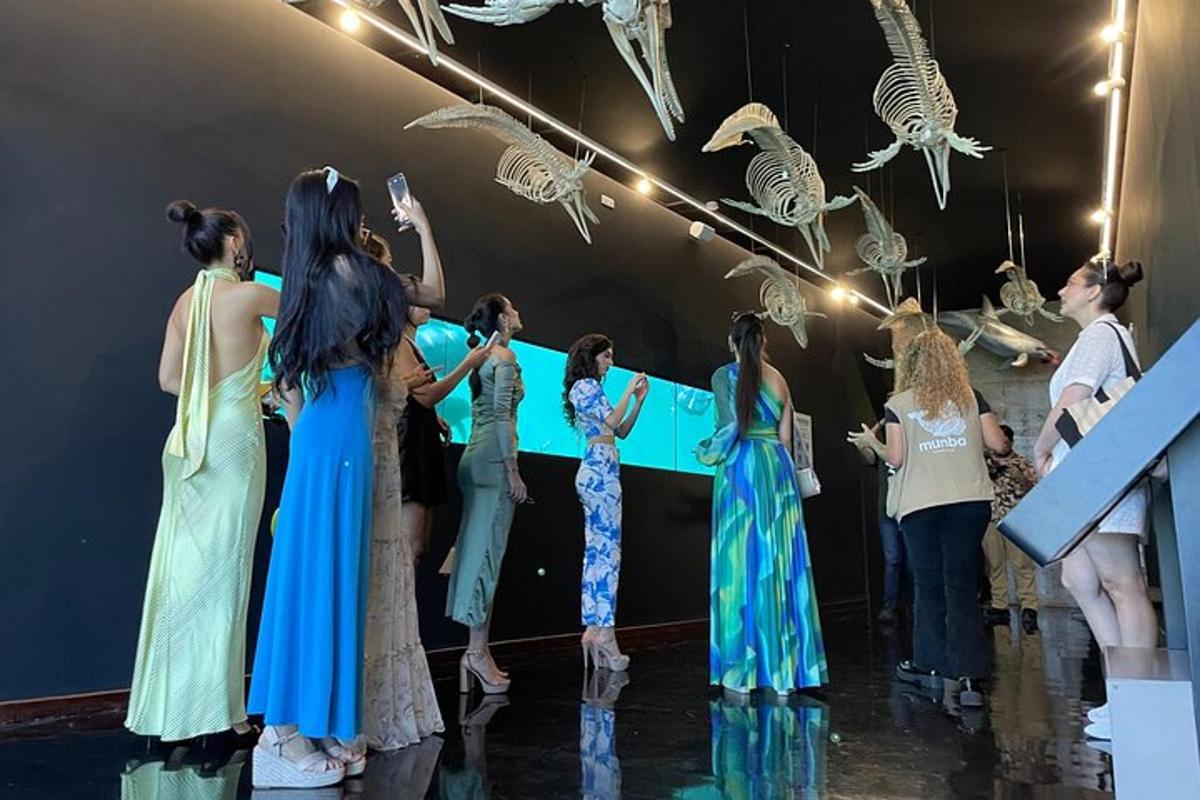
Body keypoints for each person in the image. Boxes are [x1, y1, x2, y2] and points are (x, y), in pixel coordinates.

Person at [247, 167, 444, 788]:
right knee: (323, 576)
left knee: (319, 575)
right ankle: (281, 734)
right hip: (344, 439)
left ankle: (315, 722)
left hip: (325, 438)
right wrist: (424, 225)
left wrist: (305, 435)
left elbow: (285, 383)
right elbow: (435, 290)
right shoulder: (365, 276)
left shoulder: (310, 279)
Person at [125, 200, 279, 745]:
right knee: (228, 570)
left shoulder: (184, 304)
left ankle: (170, 707)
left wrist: (218, 391)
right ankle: (221, 711)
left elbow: (169, 379)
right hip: (234, 440)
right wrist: (254, 390)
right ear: (234, 243)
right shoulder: (251, 295)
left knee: (182, 572)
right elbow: (313, 324)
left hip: (188, 440)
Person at [358, 232, 479, 751]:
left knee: (412, 552)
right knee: (403, 554)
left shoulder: (403, 341)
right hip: (399, 450)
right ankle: (387, 666)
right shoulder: (386, 337)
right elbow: (423, 394)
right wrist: (469, 365)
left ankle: (400, 659)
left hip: (413, 444)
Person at [1032, 257, 1151, 741]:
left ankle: (1139, 697)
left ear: (1092, 291)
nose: (1061, 290)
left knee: (1122, 582)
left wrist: (1039, 447)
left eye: (1069, 282)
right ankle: (1122, 688)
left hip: (1101, 474)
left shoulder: (1100, 335)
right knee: (1079, 578)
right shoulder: (1100, 338)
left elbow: (1071, 403)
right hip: (1086, 477)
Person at [860, 328, 1009, 709]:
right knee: (961, 583)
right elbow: (999, 444)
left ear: (910, 364)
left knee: (927, 584)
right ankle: (971, 677)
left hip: (921, 505)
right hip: (969, 501)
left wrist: (871, 445)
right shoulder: (971, 398)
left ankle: (930, 666)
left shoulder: (900, 402)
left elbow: (894, 458)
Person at [697, 313, 827, 694]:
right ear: (763, 340)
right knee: (780, 565)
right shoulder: (779, 378)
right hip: (777, 470)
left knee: (740, 565)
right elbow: (786, 440)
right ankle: (785, 672)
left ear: (731, 341)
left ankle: (742, 672)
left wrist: (707, 452)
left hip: (741, 469)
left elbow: (727, 427)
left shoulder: (724, 376)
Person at [445, 294, 528, 694]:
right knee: (487, 558)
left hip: (474, 458)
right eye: (512, 308)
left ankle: (477, 651)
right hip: (493, 462)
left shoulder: (484, 359)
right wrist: (512, 470)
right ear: (502, 319)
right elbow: (500, 416)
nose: (517, 312)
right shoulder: (505, 359)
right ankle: (477, 653)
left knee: (476, 554)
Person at [563, 334, 649, 671]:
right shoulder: (584, 387)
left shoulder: (593, 390)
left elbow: (621, 430)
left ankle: (595, 630)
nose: (611, 362)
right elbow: (612, 422)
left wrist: (638, 401)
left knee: (600, 553)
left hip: (605, 470)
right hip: (599, 474)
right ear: (592, 356)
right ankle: (604, 634)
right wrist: (629, 390)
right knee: (606, 555)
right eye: (607, 356)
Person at [847, 420, 907, 625]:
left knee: (912, 562)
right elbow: (867, 455)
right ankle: (889, 607)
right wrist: (878, 426)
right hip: (887, 513)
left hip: (908, 510)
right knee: (893, 559)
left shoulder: (908, 447)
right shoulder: (884, 451)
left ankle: (913, 605)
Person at [982, 424, 1040, 631]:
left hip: (1017, 521)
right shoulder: (984, 463)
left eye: (1005, 441)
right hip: (991, 520)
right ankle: (1000, 605)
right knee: (995, 565)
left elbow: (1034, 488)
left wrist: (1020, 477)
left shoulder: (1021, 462)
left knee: (1023, 565)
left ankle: (1029, 606)